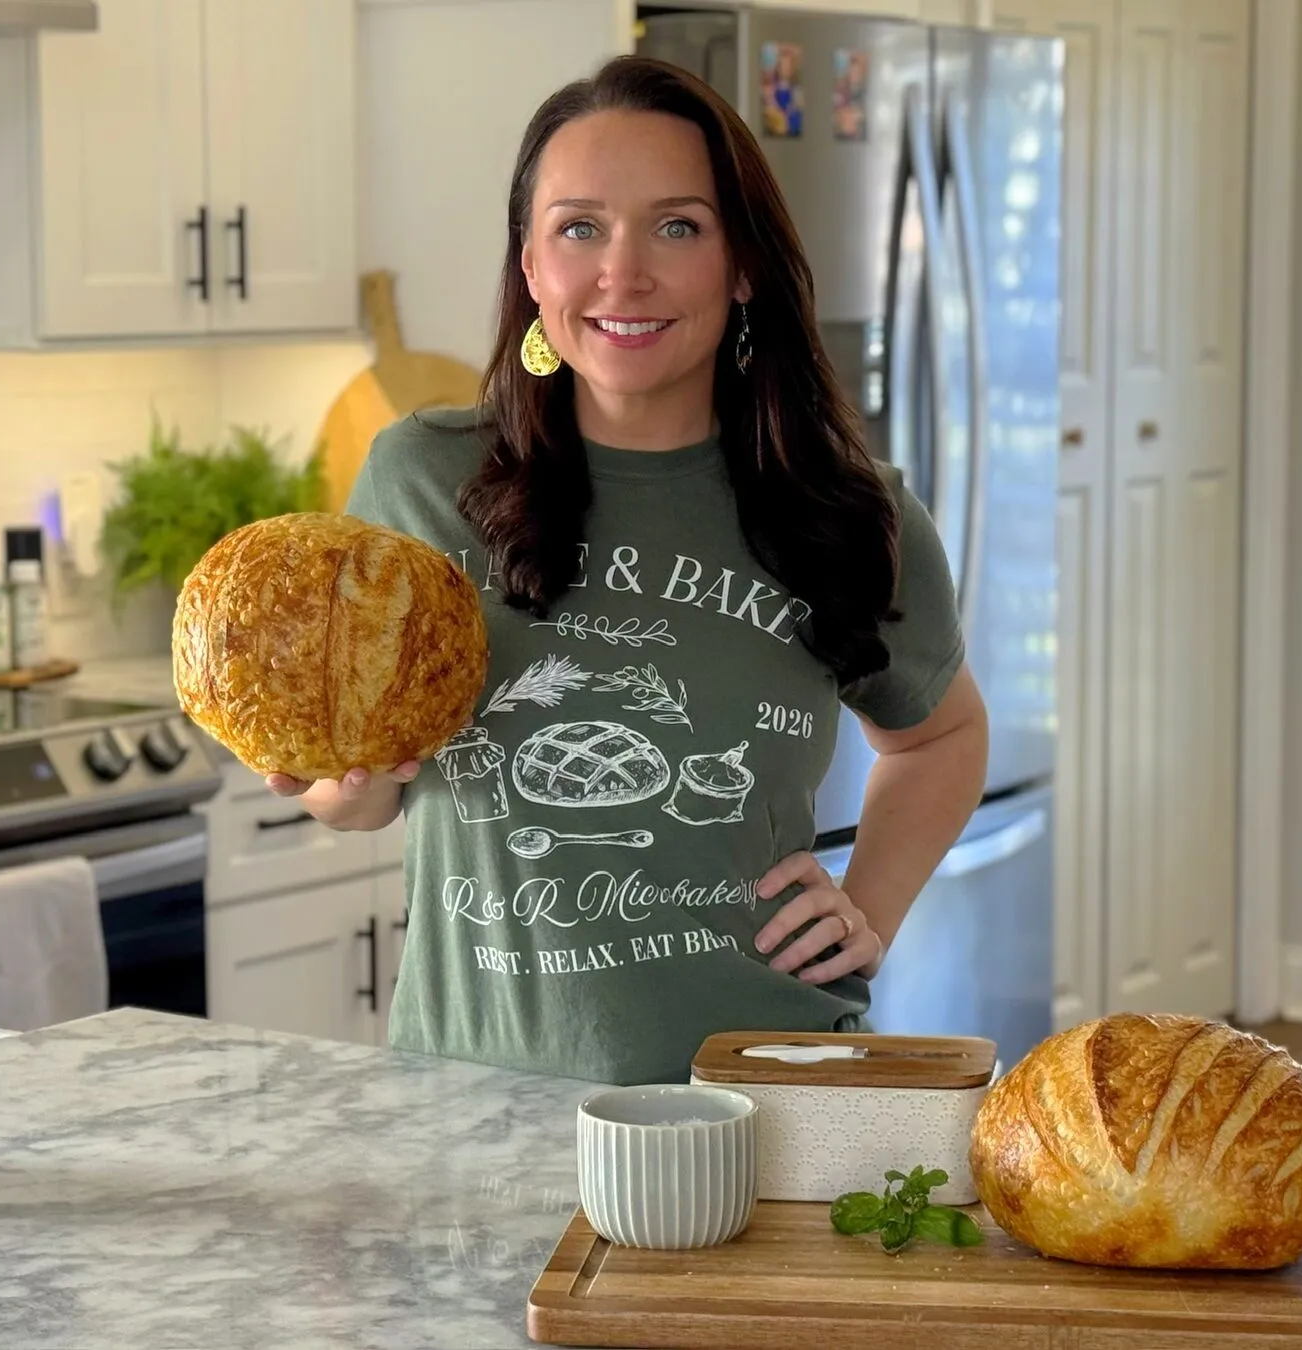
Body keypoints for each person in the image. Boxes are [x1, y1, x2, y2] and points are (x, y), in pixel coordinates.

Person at [269, 56, 988, 1086]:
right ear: (530, 266)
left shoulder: (850, 511)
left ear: (741, 264)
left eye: (678, 226)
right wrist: (336, 786)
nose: (623, 274)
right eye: (579, 228)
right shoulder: (425, 481)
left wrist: (867, 905)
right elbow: (371, 796)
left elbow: (945, 734)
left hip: (755, 1093)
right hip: (478, 1095)